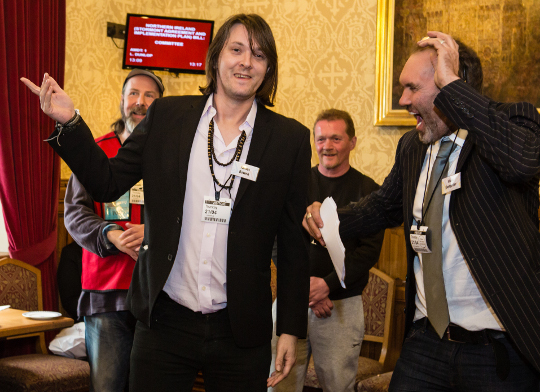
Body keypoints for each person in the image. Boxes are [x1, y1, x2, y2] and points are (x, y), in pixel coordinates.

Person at [303, 32, 540, 391]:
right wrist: (330, 219)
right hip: (426, 342)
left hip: (499, 350)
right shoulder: (412, 146)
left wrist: (452, 85)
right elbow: (382, 206)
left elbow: (520, 163)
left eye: (412, 88)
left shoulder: (513, 121)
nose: (403, 100)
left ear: (451, 84)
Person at [22, 13, 310, 392]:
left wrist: (290, 329)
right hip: (164, 323)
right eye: (236, 49)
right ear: (216, 57)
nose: (246, 62)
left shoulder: (289, 139)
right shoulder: (168, 117)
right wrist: (71, 123)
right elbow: (107, 182)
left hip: (241, 330)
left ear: (268, 67)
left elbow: (293, 244)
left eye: (258, 55)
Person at [62, 69, 163, 391]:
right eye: (133, 94)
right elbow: (75, 213)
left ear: (160, 105)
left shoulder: (170, 156)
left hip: (159, 294)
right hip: (106, 293)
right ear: (122, 101)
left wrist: (155, 231)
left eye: (149, 96)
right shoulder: (96, 151)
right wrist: (111, 235)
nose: (140, 102)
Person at [272, 109, 384, 392]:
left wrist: (327, 286)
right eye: (321, 139)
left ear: (353, 142)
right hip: (290, 301)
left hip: (341, 306)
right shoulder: (295, 184)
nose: (327, 146)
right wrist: (304, 288)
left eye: (336, 138)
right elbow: (276, 241)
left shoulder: (370, 191)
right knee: (279, 385)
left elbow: (368, 253)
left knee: (337, 387)